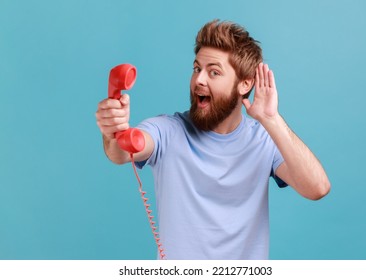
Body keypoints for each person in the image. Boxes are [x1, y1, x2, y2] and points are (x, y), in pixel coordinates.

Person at [95, 19, 331, 260]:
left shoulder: (264, 140)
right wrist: (111, 129)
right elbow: (120, 152)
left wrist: (271, 119)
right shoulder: (167, 130)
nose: (199, 79)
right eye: (197, 68)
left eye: (214, 72)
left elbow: (317, 188)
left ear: (245, 83)